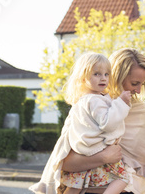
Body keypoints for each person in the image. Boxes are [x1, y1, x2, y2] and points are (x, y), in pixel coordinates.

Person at [59, 48, 145, 194]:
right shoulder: (87, 106)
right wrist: (103, 157)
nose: (138, 90)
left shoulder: (141, 111)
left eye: (142, 85)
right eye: (134, 83)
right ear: (117, 77)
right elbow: (64, 162)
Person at [30, 52, 132, 194]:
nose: (103, 78)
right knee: (123, 179)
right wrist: (121, 103)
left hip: (83, 150)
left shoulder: (82, 100)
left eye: (106, 74)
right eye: (96, 74)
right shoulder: (95, 100)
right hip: (97, 149)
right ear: (83, 78)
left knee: (76, 184)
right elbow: (108, 123)